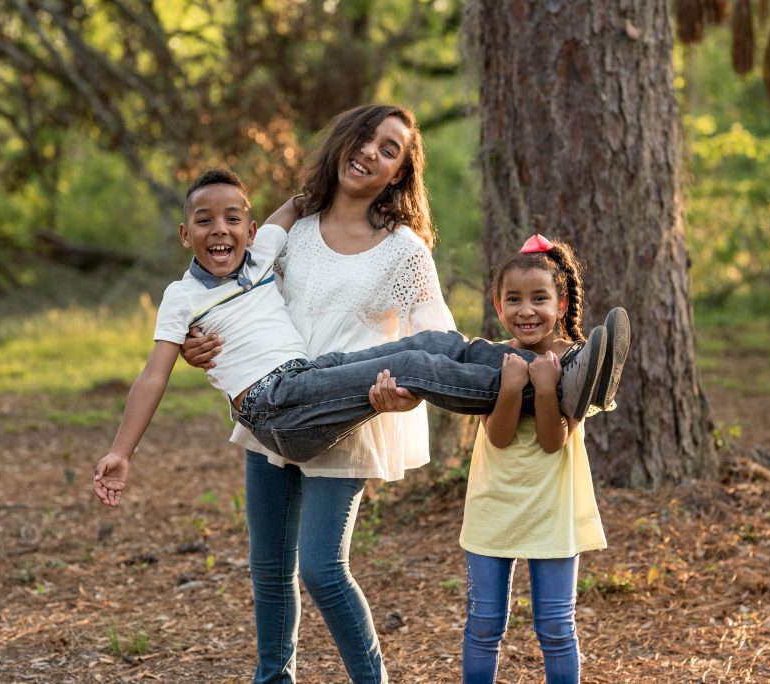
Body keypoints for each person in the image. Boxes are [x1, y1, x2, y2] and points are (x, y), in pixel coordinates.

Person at [91, 170, 620, 498]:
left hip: (302, 379)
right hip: (273, 406)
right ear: (186, 234)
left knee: (427, 346)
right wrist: (122, 451)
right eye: (204, 222)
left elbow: (296, 204)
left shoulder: (257, 260)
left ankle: (551, 369)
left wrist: (341, 177)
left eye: (233, 218)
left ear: (251, 232)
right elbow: (152, 377)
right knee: (411, 370)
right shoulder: (182, 297)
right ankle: (539, 393)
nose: (219, 230)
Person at [174, 103, 456, 684]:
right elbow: (236, 296)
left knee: (323, 569)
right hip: (274, 409)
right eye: (366, 139)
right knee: (270, 569)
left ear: (400, 174)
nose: (371, 154)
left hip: (348, 415)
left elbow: (437, 336)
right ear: (343, 141)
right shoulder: (295, 233)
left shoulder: (403, 249)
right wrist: (192, 342)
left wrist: (412, 392)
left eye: (390, 150)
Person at [459, 235, 624, 684]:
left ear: (561, 302)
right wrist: (511, 387)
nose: (525, 310)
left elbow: (554, 442)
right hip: (493, 506)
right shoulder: (494, 358)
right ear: (498, 305)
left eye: (538, 298)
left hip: (553, 509)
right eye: (513, 299)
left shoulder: (577, 362)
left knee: (555, 626)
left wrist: (546, 387)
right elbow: (498, 435)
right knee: (484, 625)